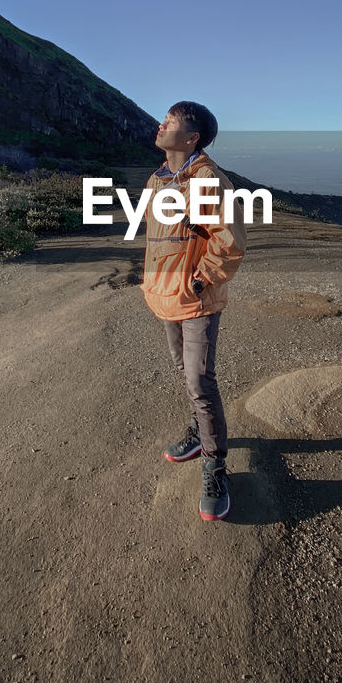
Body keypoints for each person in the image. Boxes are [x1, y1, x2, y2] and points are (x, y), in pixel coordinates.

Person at [141, 102, 247, 520]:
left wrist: (200, 280)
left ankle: (216, 465)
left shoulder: (206, 179)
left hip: (195, 298)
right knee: (185, 376)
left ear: (191, 139)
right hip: (165, 295)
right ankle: (199, 433)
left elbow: (230, 241)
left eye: (170, 122)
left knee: (200, 380)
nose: (160, 125)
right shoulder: (157, 178)